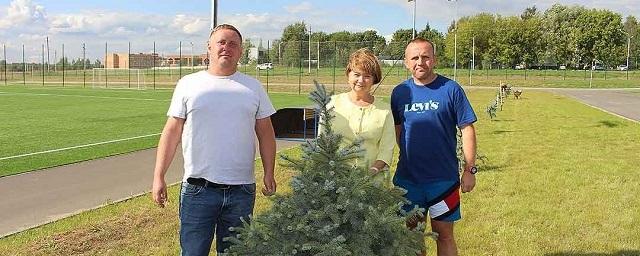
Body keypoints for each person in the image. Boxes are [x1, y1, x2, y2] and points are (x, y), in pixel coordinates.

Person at [151, 24, 277, 256]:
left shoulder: (253, 87)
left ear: (240, 51)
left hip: (242, 190)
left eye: (233, 44)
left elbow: (266, 133)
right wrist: (159, 175)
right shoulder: (188, 84)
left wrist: (269, 172)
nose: (226, 48)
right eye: (221, 42)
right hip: (198, 190)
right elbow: (171, 132)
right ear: (208, 48)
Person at [390, 38, 478, 256]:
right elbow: (398, 131)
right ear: (406, 62)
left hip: (443, 182)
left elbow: (467, 130)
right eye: (415, 57)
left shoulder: (451, 89)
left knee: (444, 236)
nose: (420, 61)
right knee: (413, 237)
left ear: (434, 60)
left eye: (426, 56)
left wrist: (469, 170)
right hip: (409, 181)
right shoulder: (399, 92)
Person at [325, 48, 395, 173]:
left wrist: (373, 171)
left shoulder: (385, 111)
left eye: (367, 76)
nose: (361, 80)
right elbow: (323, 142)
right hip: (335, 179)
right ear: (348, 75)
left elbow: (386, 150)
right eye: (356, 74)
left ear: (374, 79)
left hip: (371, 183)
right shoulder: (331, 104)